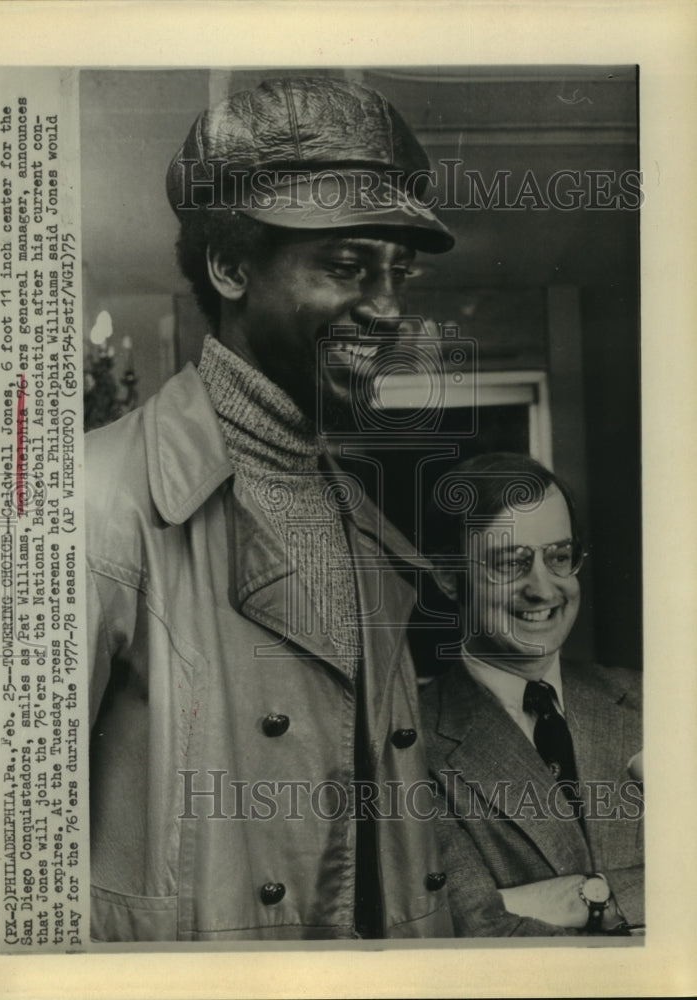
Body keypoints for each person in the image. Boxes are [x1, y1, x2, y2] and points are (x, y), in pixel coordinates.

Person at [85, 76, 457, 941]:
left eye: (399, 272)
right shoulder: (95, 496)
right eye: (347, 265)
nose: (389, 307)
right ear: (229, 265)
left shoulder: (357, 513)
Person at [419, 452, 644, 937]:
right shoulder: (410, 744)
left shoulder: (652, 703)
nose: (543, 588)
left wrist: (587, 897)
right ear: (446, 577)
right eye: (510, 564)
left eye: (559, 557)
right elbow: (477, 929)